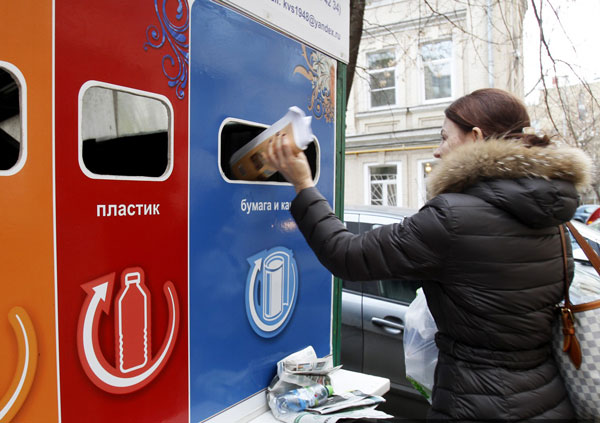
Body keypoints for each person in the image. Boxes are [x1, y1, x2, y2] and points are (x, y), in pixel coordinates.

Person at [265, 88, 592, 421]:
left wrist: (303, 185)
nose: (438, 151)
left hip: (479, 404)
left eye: (445, 137)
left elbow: (346, 255)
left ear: (476, 137)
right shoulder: (553, 220)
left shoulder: (453, 217)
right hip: (549, 400)